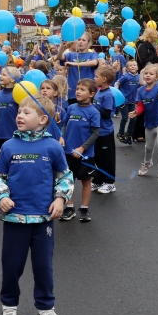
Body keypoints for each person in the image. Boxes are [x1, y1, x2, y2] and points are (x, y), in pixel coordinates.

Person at [0, 95, 73, 315]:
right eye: (19, 112)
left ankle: (45, 307)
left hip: (43, 219)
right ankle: (9, 307)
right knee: (12, 265)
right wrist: (2, 196)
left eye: (26, 112)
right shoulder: (8, 146)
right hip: (15, 219)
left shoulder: (53, 146)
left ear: (43, 119)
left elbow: (64, 176)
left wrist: (60, 198)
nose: (19, 116)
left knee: (43, 266)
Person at [59, 79, 100, 222]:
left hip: (85, 154)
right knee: (69, 180)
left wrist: (82, 148)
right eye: (77, 88)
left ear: (91, 94)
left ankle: (84, 208)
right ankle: (69, 208)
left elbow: (95, 133)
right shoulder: (71, 108)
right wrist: (62, 137)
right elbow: (64, 125)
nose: (77, 91)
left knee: (86, 181)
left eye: (82, 89)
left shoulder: (93, 112)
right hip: (68, 152)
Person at [129, 64, 158, 183]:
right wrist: (136, 112)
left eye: (151, 74)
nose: (148, 75)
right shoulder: (140, 90)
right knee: (148, 147)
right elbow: (141, 106)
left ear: (157, 77)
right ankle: (147, 163)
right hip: (149, 123)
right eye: (146, 73)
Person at [91, 68, 117, 193]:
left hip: (105, 131)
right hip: (96, 131)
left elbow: (107, 113)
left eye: (96, 77)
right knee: (97, 157)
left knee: (107, 158)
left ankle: (110, 182)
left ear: (104, 79)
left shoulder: (108, 94)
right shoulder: (99, 92)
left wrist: (93, 108)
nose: (94, 79)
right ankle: (98, 180)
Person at [57, 37, 100, 106]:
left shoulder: (92, 54)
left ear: (89, 43)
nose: (80, 42)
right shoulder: (71, 54)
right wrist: (62, 44)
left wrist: (75, 64)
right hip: (72, 93)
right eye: (79, 40)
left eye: (83, 40)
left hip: (87, 92)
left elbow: (94, 63)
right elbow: (59, 57)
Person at [115, 61, 140, 144]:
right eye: (130, 65)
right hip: (124, 101)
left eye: (134, 65)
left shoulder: (139, 77)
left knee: (133, 118)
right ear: (127, 68)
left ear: (137, 67)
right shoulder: (126, 76)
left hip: (132, 101)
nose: (133, 66)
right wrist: (117, 93)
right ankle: (120, 133)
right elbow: (117, 83)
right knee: (125, 118)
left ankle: (129, 134)